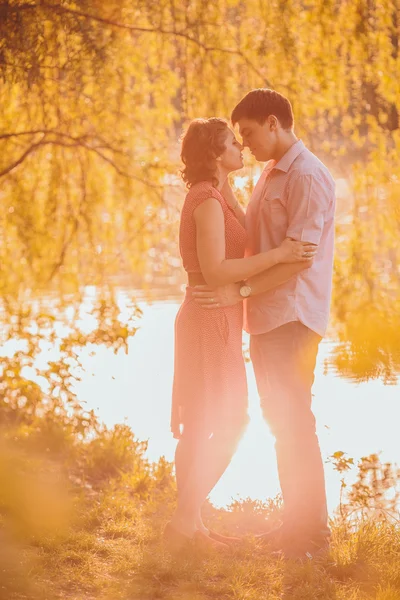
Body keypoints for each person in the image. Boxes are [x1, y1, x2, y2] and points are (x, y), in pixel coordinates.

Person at [193, 89, 336, 559]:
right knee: (281, 422)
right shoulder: (272, 172)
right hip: (266, 320)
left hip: (291, 317)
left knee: (296, 422)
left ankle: (312, 538)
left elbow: (299, 259)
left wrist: (242, 292)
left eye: (249, 134)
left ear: (273, 123)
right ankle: (294, 525)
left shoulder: (309, 176)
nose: (246, 144)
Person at [165, 117, 316, 552]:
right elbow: (215, 271)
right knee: (231, 422)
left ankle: (190, 527)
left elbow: (237, 235)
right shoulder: (207, 200)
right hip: (209, 317)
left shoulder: (218, 194)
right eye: (233, 142)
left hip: (219, 316)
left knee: (200, 426)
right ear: (215, 153)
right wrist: (282, 253)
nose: (242, 147)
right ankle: (183, 521)